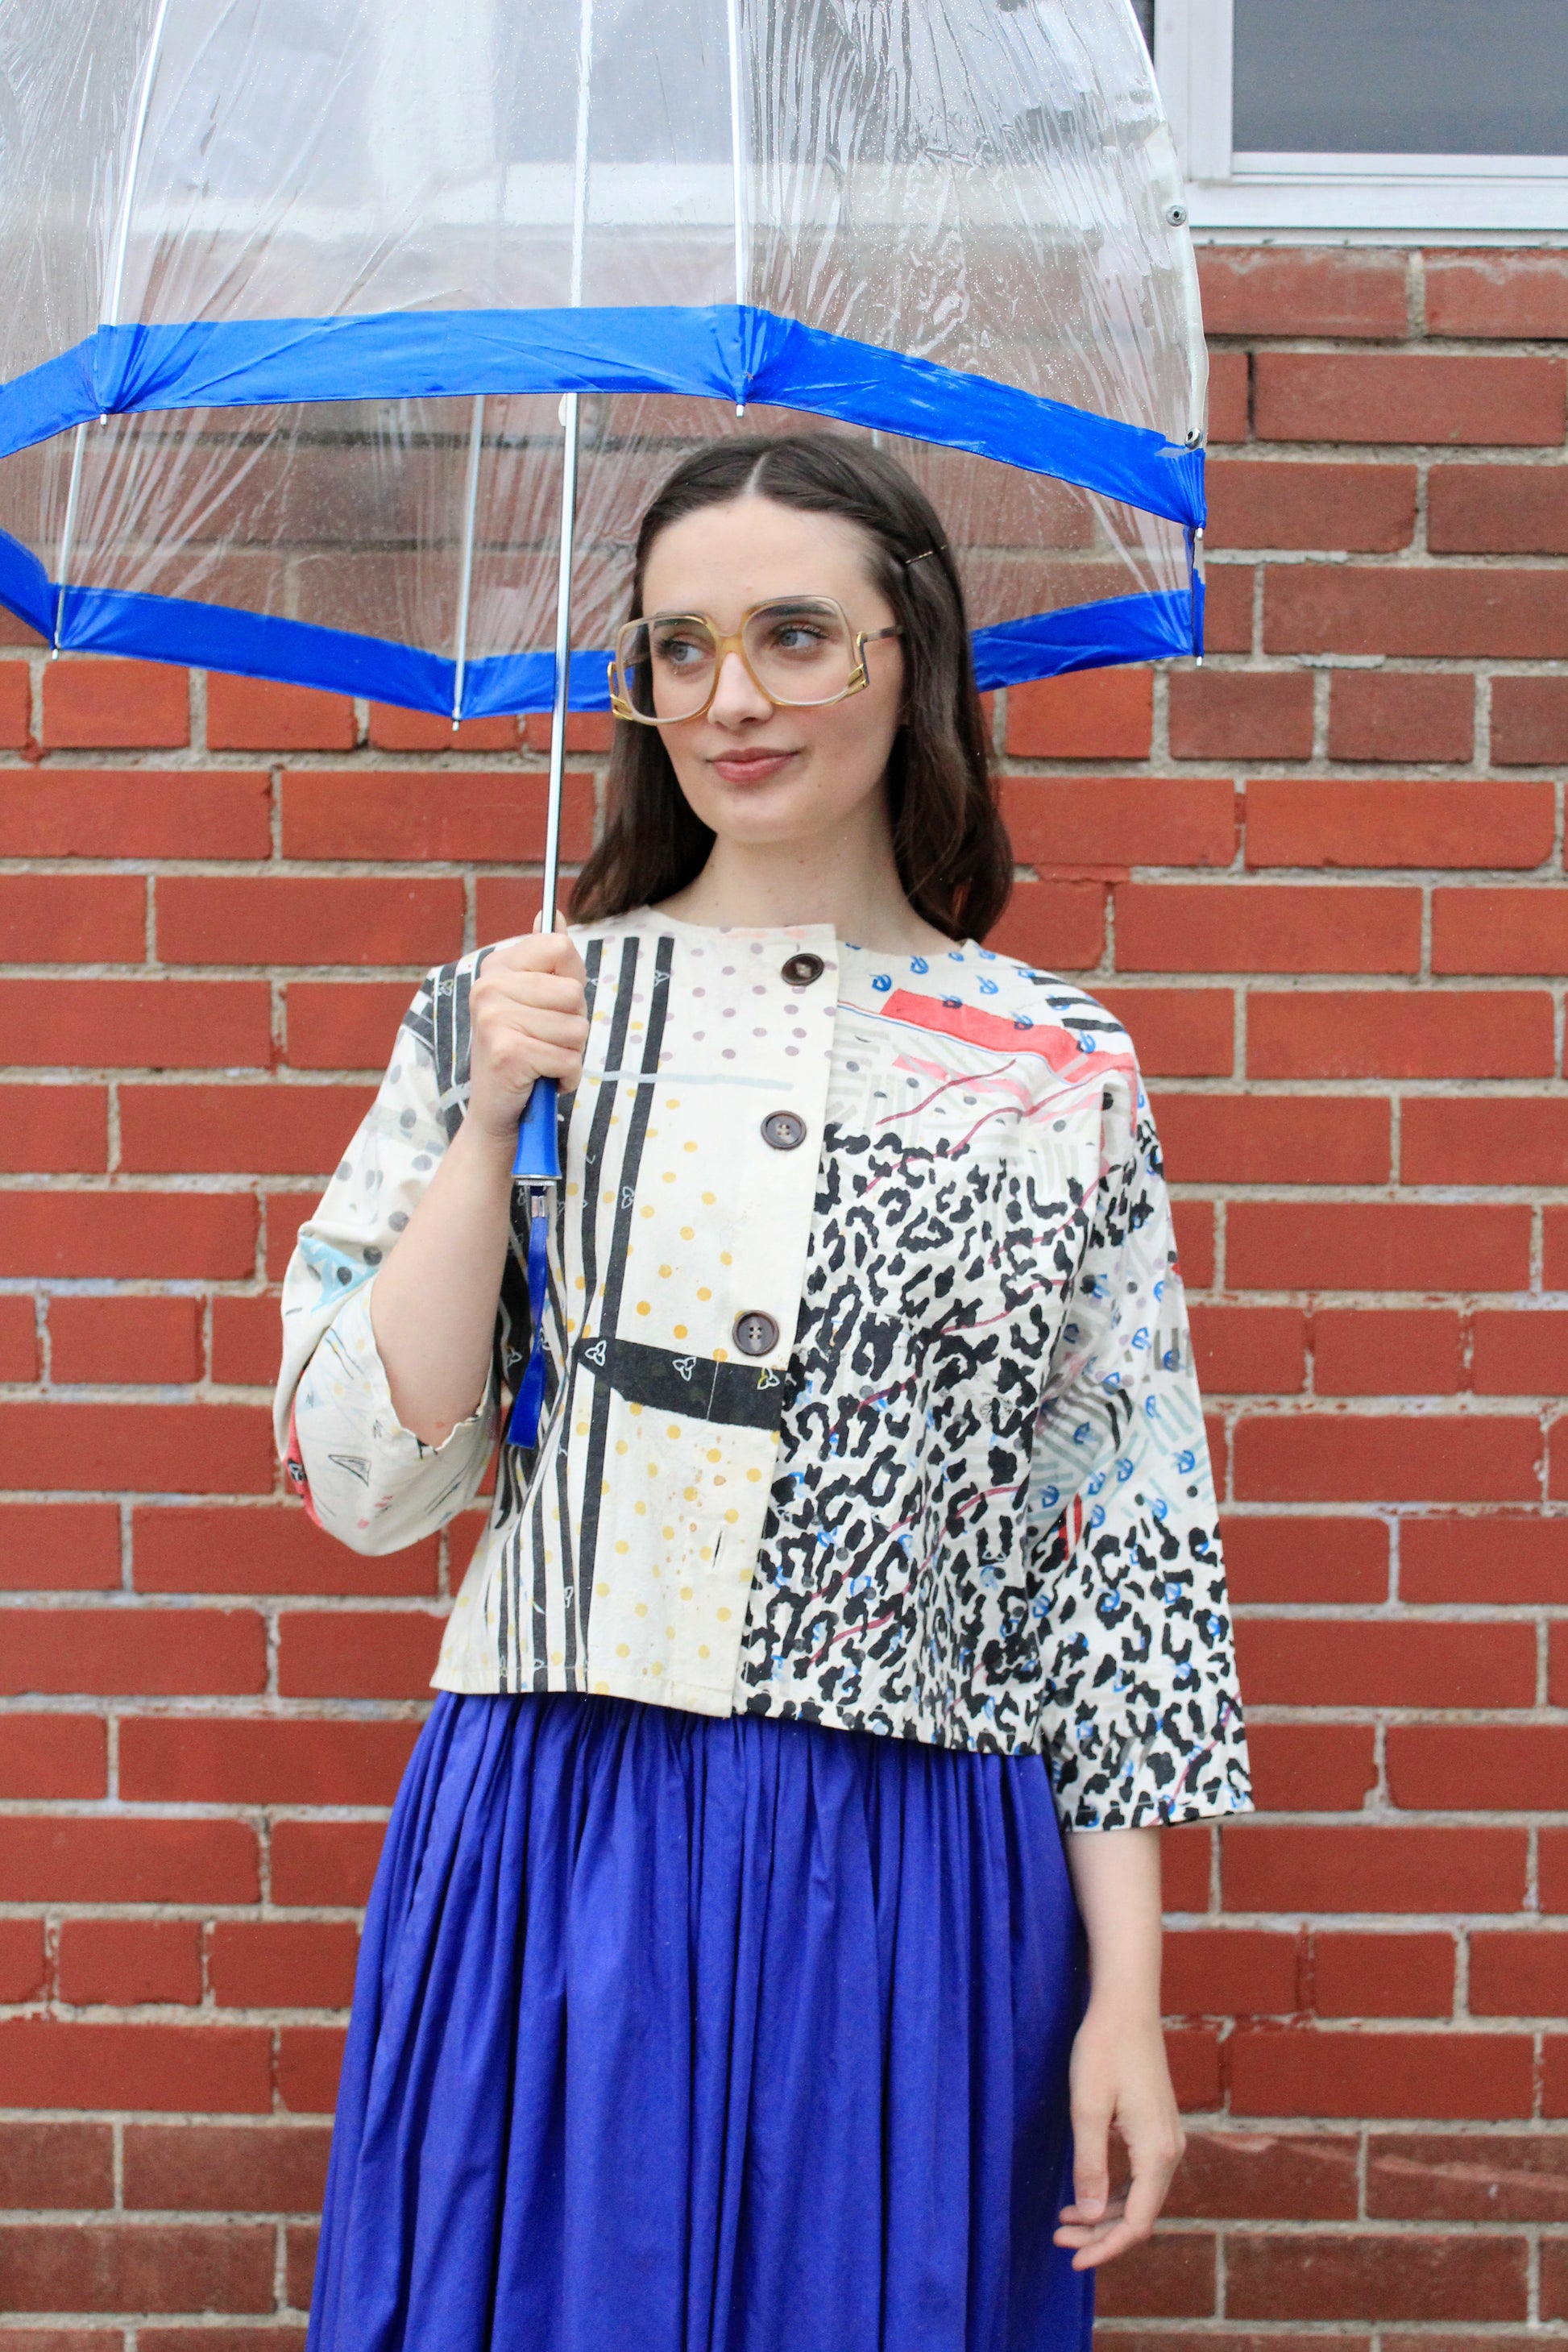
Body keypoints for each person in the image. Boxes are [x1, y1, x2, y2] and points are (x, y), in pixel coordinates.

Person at [275, 433, 1252, 2352]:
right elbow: (363, 1473)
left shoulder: (1053, 1060)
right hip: (569, 1823)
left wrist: (1124, 1996)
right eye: (680, 646)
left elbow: (1122, 1538)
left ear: (912, 654)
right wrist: (487, 1120)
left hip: (917, 1865)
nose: (732, 698)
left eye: (796, 635)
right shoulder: (519, 1010)